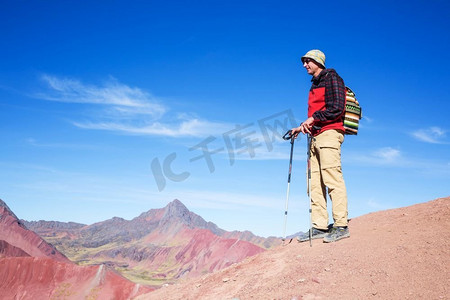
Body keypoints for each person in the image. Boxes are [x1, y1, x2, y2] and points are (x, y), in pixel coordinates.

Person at [291, 49, 350, 243]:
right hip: (315, 136)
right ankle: (320, 225)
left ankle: (341, 225)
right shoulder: (314, 84)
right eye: (304, 62)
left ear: (318, 62)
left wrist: (313, 118)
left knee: (332, 177)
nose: (304, 65)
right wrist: (301, 127)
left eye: (308, 61)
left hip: (330, 134)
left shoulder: (332, 78)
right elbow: (317, 113)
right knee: (314, 183)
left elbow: (336, 108)